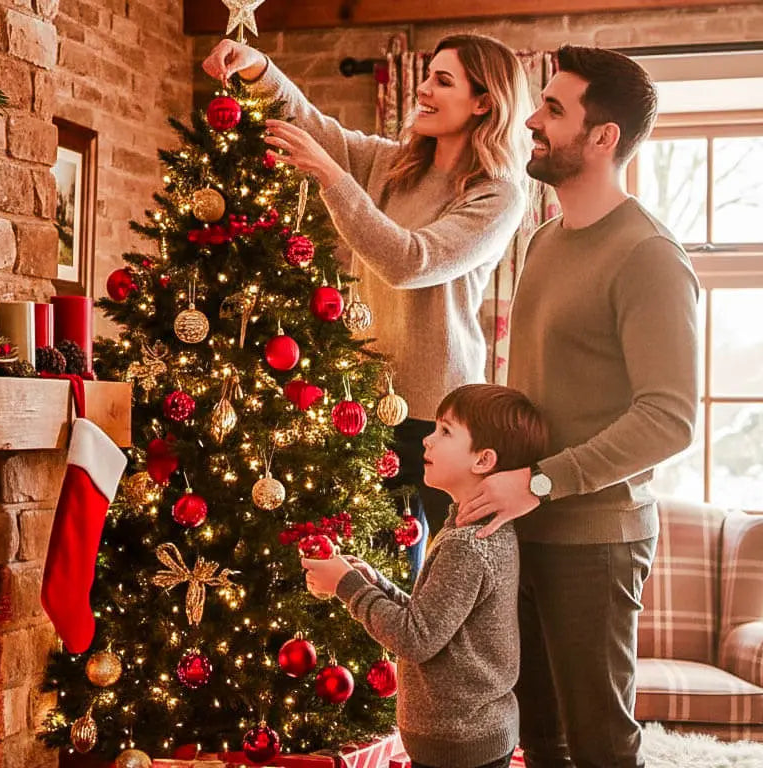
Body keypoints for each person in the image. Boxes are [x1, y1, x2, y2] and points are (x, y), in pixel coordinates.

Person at [453, 45, 701, 768]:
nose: (531, 118)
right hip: (520, 523)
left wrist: (538, 482)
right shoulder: (543, 241)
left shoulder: (649, 254)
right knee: (537, 738)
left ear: (603, 138)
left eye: (554, 109)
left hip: (596, 538)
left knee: (599, 745)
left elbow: (671, 417)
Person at [203, 34, 533, 574]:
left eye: (443, 81)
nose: (423, 89)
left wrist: (331, 177)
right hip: (357, 400)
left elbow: (410, 261)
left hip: (437, 416)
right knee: (352, 573)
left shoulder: (497, 194)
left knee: (415, 575)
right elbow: (314, 126)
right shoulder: (393, 165)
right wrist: (259, 67)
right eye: (426, 76)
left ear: (483, 103)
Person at [302, 384, 548, 768]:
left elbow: (415, 638)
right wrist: (371, 581)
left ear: (483, 460)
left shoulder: (469, 545)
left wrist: (345, 586)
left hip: (460, 745)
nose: (427, 441)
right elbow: (431, 617)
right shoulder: (467, 530)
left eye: (445, 432)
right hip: (465, 738)